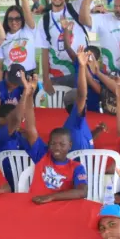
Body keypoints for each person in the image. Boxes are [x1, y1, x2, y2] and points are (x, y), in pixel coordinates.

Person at [18, 73, 88, 204]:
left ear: (70, 145)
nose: (57, 148)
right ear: (48, 144)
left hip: (61, 209)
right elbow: (31, 129)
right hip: (37, 205)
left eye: (62, 144)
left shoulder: (76, 167)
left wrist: (52, 197)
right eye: (53, 143)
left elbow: (82, 191)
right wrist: (29, 96)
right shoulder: (43, 155)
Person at [35, 0, 97, 90]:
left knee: (82, 107)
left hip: (82, 70)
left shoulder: (76, 7)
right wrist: (46, 79)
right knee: (59, 108)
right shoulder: (45, 20)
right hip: (58, 74)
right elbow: (45, 50)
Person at [0, 0, 37, 80]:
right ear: (6, 20)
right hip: (10, 77)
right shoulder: (2, 38)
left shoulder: (29, 30)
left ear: (22, 19)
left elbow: (27, 12)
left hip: (29, 75)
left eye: (17, 18)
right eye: (10, 19)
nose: (14, 22)